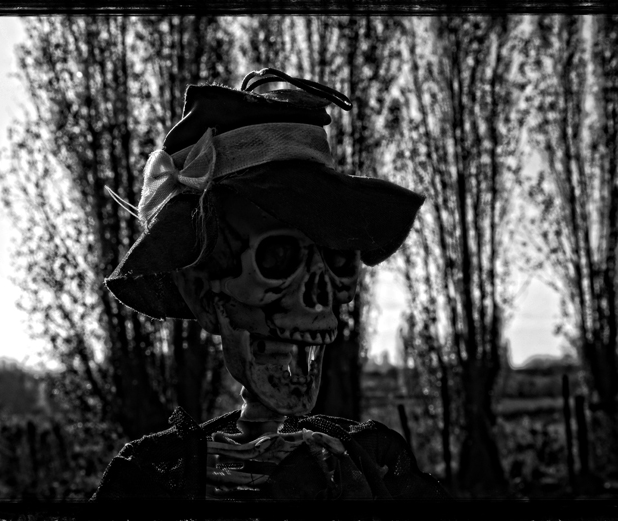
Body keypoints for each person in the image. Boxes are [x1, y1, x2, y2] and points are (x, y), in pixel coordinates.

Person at [92, 69, 448, 501]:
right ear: (203, 295)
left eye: (337, 261)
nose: (318, 295)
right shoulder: (156, 479)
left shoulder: (375, 463)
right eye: (277, 259)